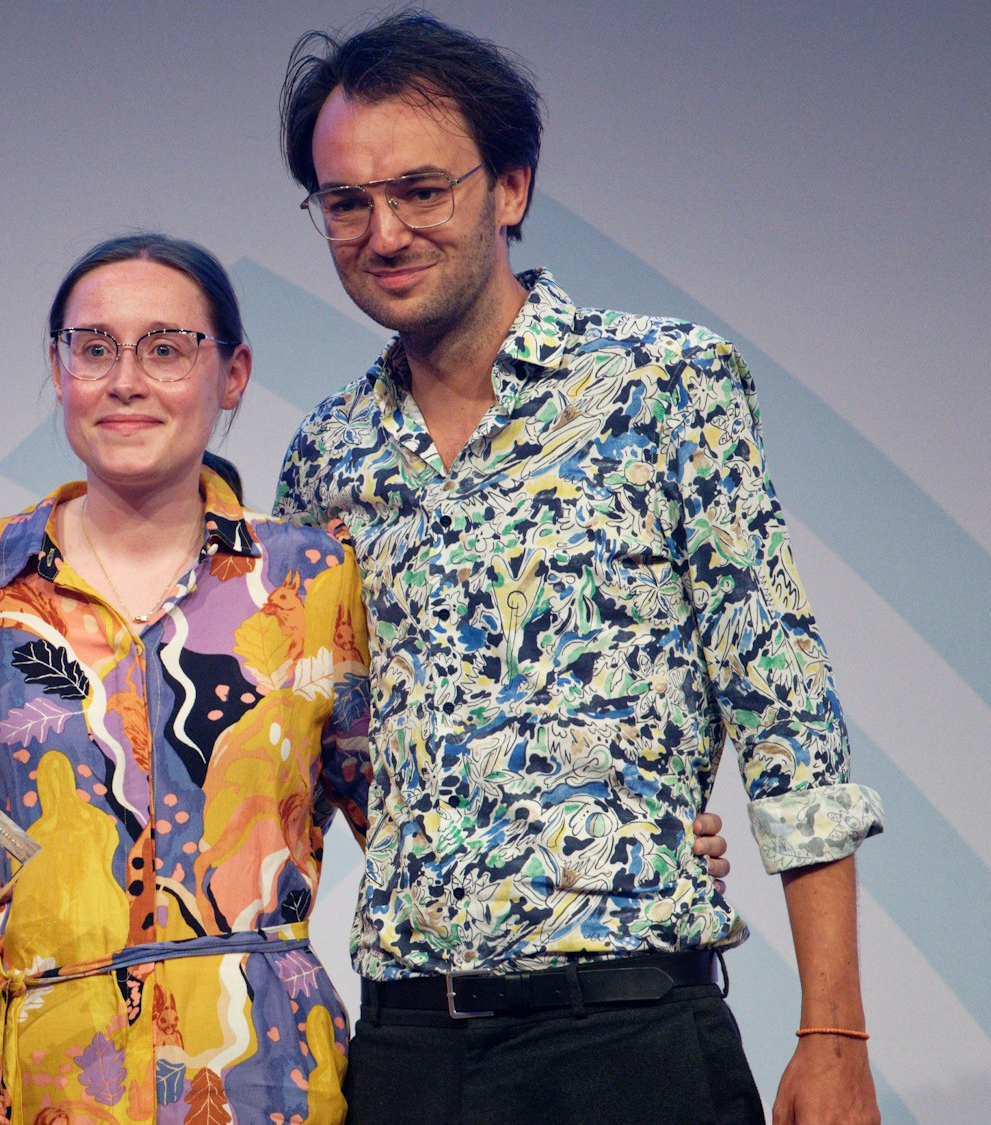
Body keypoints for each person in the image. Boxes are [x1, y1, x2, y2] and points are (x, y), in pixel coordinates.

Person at [272, 12, 884, 1125]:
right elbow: (317, 756)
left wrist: (833, 1033)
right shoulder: (325, 455)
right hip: (409, 1045)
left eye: (421, 190)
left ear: (509, 187)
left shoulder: (664, 383)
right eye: (346, 202)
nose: (383, 231)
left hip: (628, 1034)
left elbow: (786, 714)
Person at [0, 233, 372, 1124]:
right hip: (27, 1080)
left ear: (233, 375)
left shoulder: (314, 579)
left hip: (256, 1077)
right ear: (60, 371)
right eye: (94, 349)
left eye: (166, 349)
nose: (126, 380)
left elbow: (403, 830)